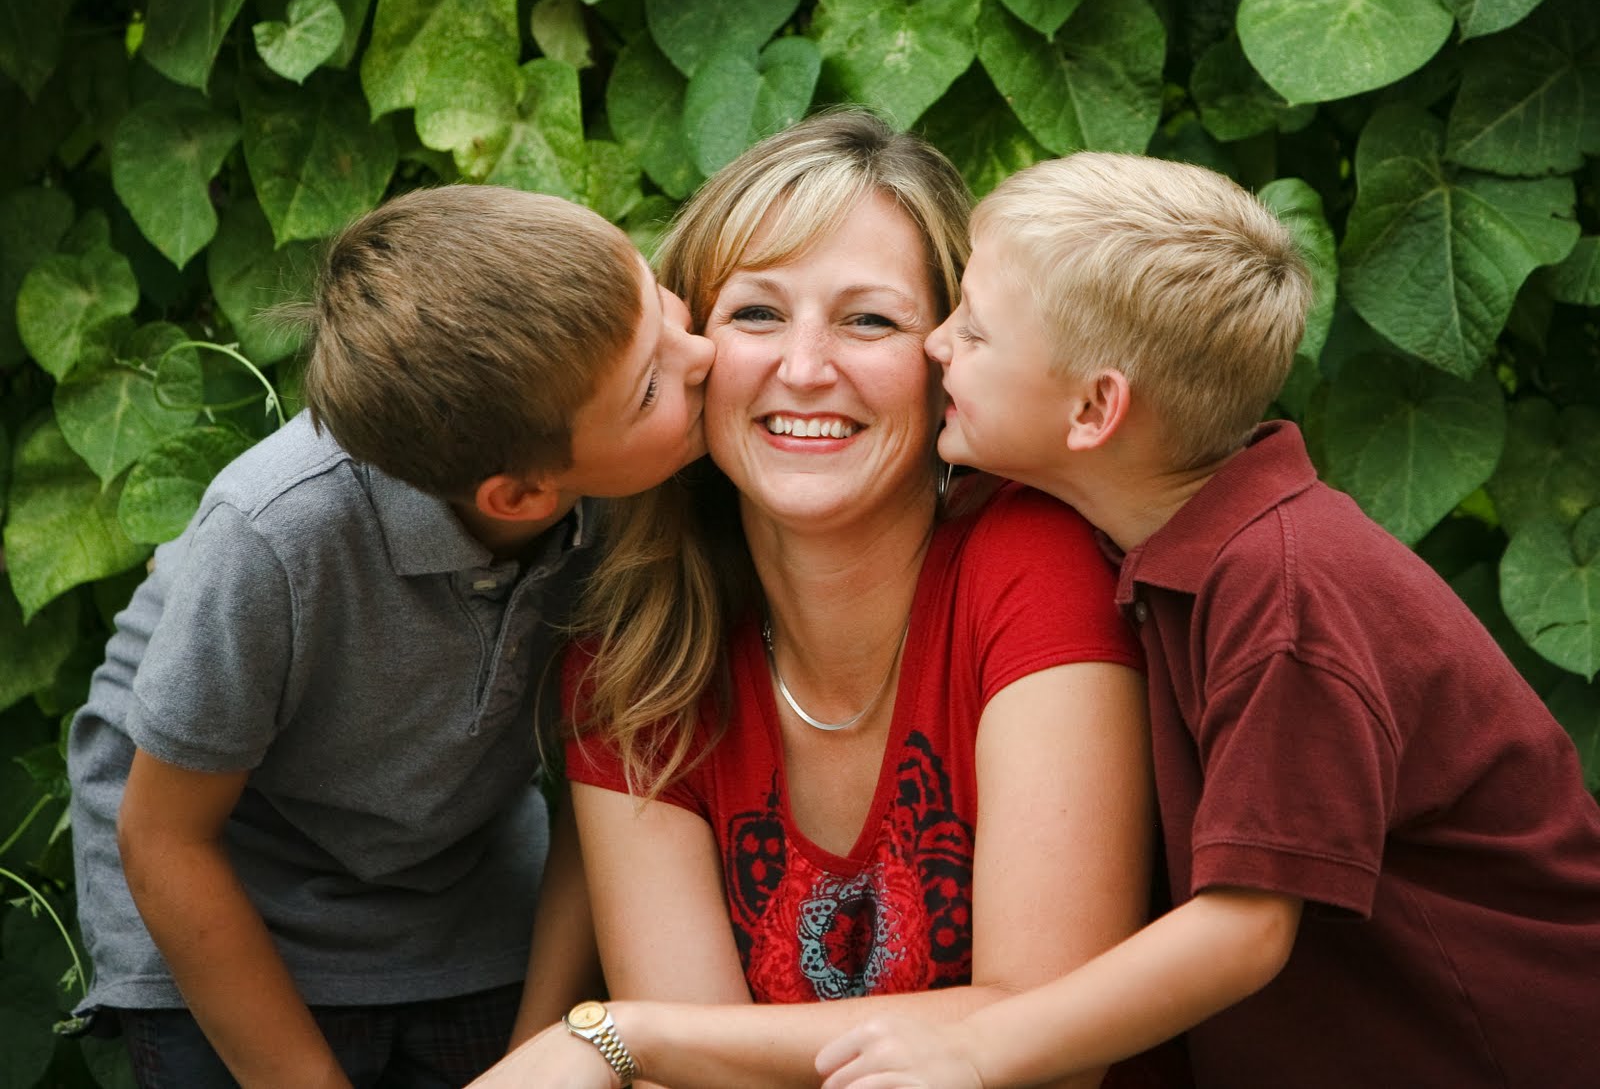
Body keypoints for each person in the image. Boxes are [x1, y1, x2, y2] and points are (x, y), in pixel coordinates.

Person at [814, 152, 1600, 1089]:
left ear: (1096, 408)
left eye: (975, 331)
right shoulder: (1155, 535)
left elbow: (1245, 927)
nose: (935, 344)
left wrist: (976, 1049)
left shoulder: (1285, 590)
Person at [470, 111, 1162, 1089]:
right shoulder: (637, 665)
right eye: (756, 313)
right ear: (691, 352)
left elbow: (1049, 1039)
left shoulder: (1030, 566)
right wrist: (651, 1038)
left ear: (948, 359)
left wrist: (615, 1035)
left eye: (867, 319)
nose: (803, 366)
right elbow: (702, 1072)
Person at [66, 185, 715, 1089]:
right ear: (520, 496)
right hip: (220, 898)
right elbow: (164, 839)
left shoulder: (626, 497)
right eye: (653, 384)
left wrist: (540, 1049)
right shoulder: (276, 533)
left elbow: (594, 791)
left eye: (664, 307)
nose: (708, 352)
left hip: (458, 892)